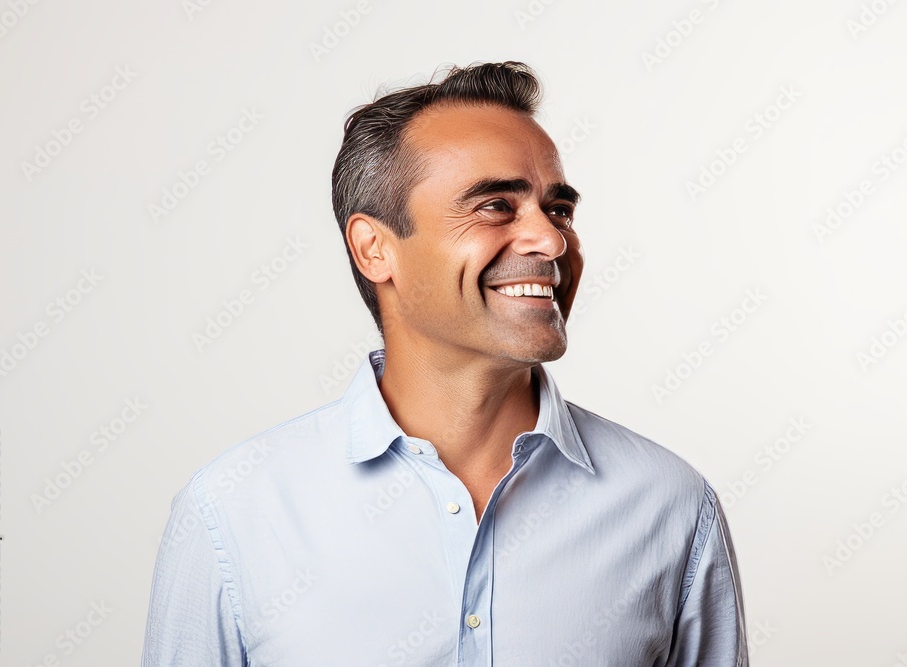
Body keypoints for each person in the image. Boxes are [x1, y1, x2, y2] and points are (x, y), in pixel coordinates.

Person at [141, 61, 748, 666]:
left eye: (559, 210)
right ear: (374, 249)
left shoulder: (669, 505)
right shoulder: (233, 512)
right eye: (496, 205)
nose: (552, 241)